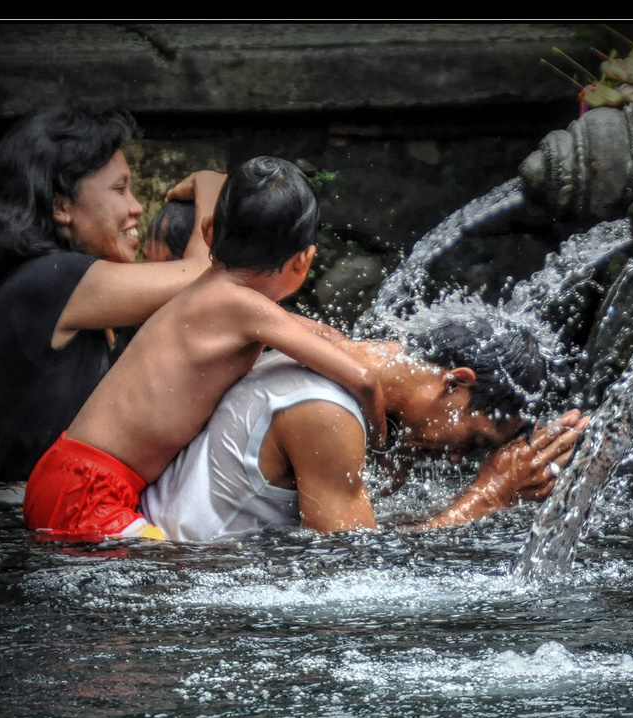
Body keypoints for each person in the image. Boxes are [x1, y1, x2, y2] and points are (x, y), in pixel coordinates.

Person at [22, 156, 385, 543]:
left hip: (67, 472)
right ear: (304, 261)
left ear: (208, 232)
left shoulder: (210, 293)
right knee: (179, 575)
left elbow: (314, 333)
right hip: (89, 492)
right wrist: (380, 445)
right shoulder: (243, 307)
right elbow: (362, 380)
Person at [0, 105, 224, 482]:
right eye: (119, 189)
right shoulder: (50, 279)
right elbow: (201, 274)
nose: (136, 207)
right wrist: (213, 186)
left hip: (29, 507)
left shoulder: (72, 285)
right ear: (61, 206)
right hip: (1, 516)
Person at [140, 319, 588, 540]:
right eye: (469, 441)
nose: (455, 457)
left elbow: (363, 530)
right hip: (178, 577)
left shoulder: (327, 353)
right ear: (457, 381)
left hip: (165, 555)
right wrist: (489, 495)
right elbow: (357, 571)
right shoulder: (325, 410)